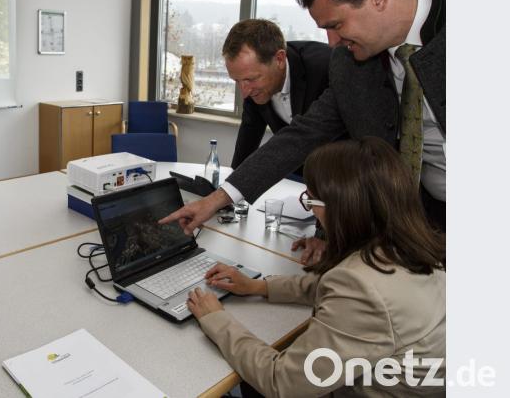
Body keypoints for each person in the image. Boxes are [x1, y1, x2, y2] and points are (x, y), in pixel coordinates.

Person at [160, 0, 446, 264]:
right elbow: (302, 135)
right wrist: (217, 198)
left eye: (336, 25)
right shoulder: (349, 62)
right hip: (415, 220)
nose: (332, 42)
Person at [186, 137, 446, 397]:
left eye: (311, 202)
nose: (312, 212)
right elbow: (337, 285)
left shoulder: (361, 287)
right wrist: (259, 286)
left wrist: (216, 319)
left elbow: (281, 382)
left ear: (343, 209)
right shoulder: (416, 248)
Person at [222, 20, 332, 171]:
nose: (244, 92)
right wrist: (229, 191)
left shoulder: (326, 66)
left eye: (251, 79)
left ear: (279, 59)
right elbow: (248, 141)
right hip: (295, 173)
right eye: (237, 81)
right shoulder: (251, 86)